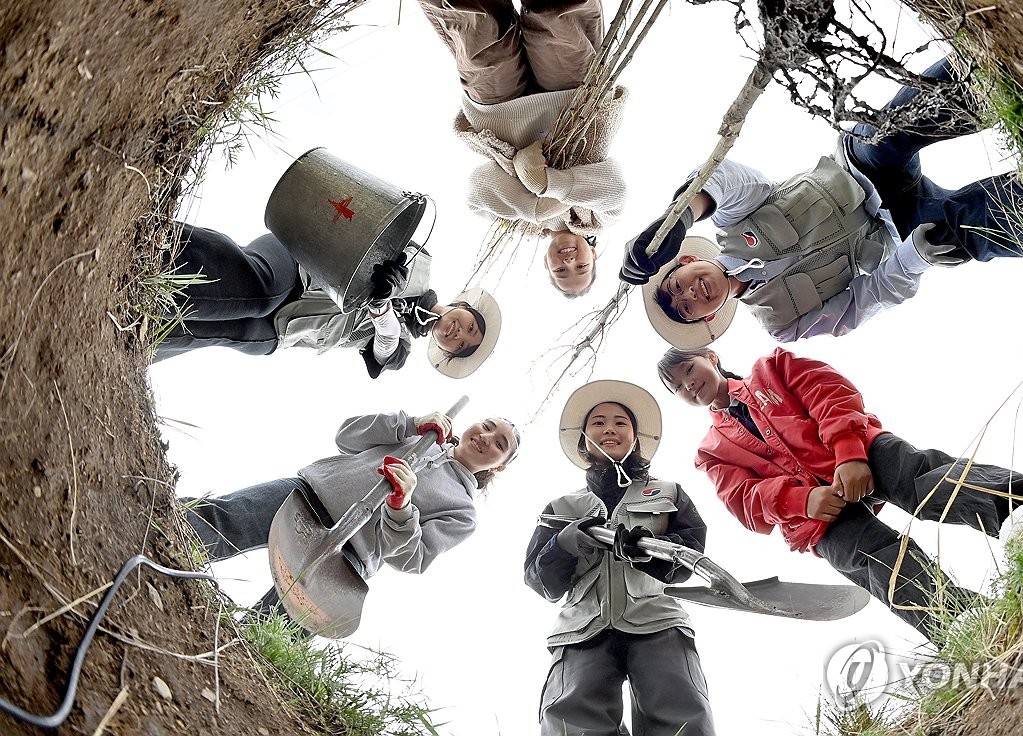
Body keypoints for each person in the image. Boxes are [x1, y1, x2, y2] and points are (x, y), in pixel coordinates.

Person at [622, 55, 1023, 348]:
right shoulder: (781, 324)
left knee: (887, 132)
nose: (692, 294)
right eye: (687, 308)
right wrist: (912, 261)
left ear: (687, 261)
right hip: (899, 228)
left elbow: (728, 178)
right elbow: (862, 301)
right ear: (708, 317)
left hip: (859, 168)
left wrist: (678, 218)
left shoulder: (732, 222)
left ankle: (1001, 64)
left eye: (678, 286)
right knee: (954, 238)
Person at [656, 346, 1023, 642]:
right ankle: (957, 620)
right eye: (677, 387)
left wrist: (849, 453)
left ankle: (1021, 505)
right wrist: (802, 501)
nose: (688, 384)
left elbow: (830, 394)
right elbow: (744, 499)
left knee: (920, 480)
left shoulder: (772, 368)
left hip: (859, 452)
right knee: (872, 559)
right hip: (814, 520)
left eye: (688, 369)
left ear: (711, 355)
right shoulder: (710, 452)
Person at [401, 0, 626, 298]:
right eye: (581, 267)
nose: (569, 260)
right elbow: (614, 186)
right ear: (595, 253)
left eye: (561, 270)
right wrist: (547, 186)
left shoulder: (520, 225)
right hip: (574, 103)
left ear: (545, 264)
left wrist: (534, 196)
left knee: (478, 36)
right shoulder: (602, 218)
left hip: (503, 117)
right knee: (560, 15)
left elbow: (478, 191)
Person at [183, 408, 520, 629]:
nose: (486, 437)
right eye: (487, 426)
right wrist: (409, 423)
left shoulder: (463, 511)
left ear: (499, 466)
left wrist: (400, 509)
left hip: (346, 558)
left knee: (277, 629)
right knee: (220, 521)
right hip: (307, 495)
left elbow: (412, 558)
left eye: (499, 444)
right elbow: (347, 436)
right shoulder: (421, 434)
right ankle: (157, 532)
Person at [524, 380, 717, 736]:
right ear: (584, 440)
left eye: (620, 422)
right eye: (597, 422)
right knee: (573, 724)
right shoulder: (560, 508)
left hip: (659, 623)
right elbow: (540, 580)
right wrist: (565, 542)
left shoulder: (667, 492)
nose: (609, 427)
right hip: (582, 631)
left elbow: (691, 552)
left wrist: (648, 551)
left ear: (635, 437)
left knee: (683, 719)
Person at [155, 222, 502, 379]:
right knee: (261, 290)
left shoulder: (399, 351)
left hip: (285, 331)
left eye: (461, 344)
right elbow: (379, 234)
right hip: (299, 264)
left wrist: (383, 312)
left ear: (446, 351)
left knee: (225, 330)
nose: (459, 332)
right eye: (470, 326)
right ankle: (158, 244)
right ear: (463, 306)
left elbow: (384, 346)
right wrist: (388, 271)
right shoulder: (421, 264)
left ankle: (143, 332)